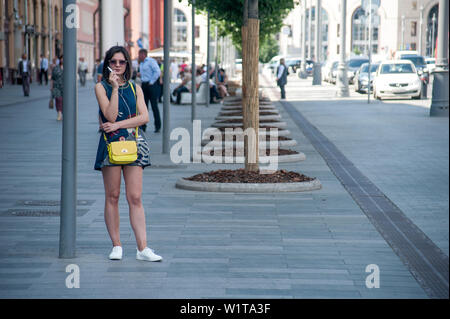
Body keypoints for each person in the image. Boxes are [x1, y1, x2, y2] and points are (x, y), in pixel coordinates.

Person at [94, 45, 162, 262]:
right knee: (112, 196)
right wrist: (114, 88)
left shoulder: (135, 88)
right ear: (107, 64)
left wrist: (118, 125)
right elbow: (110, 115)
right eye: (113, 62)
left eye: (121, 62)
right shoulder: (101, 87)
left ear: (127, 64)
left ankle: (143, 248)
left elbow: (144, 118)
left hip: (134, 144)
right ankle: (117, 245)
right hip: (111, 145)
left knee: (135, 197)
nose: (117, 66)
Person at [137, 49, 161, 133]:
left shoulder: (151, 61)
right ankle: (143, 126)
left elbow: (157, 72)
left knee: (154, 106)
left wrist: (151, 82)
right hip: (144, 85)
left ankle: (157, 126)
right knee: (143, 106)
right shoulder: (141, 63)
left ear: (143, 54)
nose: (138, 56)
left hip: (151, 85)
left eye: (139, 54)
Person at [50, 55, 64, 121]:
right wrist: (51, 87)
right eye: (61, 59)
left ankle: (62, 112)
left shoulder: (69, 68)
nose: (63, 60)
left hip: (65, 88)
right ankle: (59, 113)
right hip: (56, 87)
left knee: (64, 101)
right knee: (58, 99)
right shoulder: (56, 68)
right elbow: (52, 78)